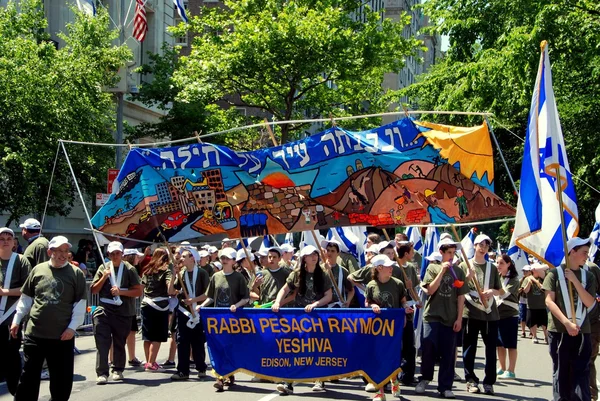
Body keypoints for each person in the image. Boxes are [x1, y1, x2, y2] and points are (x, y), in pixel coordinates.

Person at [11, 235, 87, 401]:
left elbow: (80, 305)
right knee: (28, 378)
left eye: (66, 251)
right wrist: (17, 320)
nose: (62, 254)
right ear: (49, 251)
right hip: (35, 334)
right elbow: (26, 299)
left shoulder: (76, 274)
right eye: (58, 250)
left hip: (62, 337)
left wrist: (72, 328)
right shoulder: (38, 270)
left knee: (61, 381)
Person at [272, 245, 333, 395]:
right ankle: (288, 383)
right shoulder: (296, 274)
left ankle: (319, 380)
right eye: (310, 255)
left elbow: (329, 296)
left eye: (316, 254)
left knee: (317, 348)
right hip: (298, 317)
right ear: (304, 258)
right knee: (294, 348)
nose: (314, 257)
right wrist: (278, 302)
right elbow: (284, 289)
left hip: (317, 317)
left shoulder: (323, 274)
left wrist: (315, 304)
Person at [543, 237, 596, 401]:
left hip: (582, 330)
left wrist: (575, 281)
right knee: (561, 372)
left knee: (582, 373)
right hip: (559, 330)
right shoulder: (553, 274)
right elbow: (549, 301)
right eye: (583, 252)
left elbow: (590, 303)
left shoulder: (588, 276)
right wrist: (566, 322)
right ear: (572, 252)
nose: (586, 256)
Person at [415, 237, 468, 399]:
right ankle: (425, 378)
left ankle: (445, 386)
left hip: (450, 317)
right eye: (449, 253)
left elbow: (461, 297)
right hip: (432, 316)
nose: (452, 256)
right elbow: (429, 290)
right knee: (429, 346)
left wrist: (459, 318)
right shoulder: (432, 267)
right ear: (441, 253)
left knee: (448, 353)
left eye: (453, 252)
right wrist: (442, 271)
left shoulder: (458, 271)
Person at [91, 241, 143, 384]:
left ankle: (118, 369)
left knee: (119, 342)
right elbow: (93, 290)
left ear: (122, 254)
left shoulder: (129, 269)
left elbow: (138, 291)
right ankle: (102, 373)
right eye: (111, 254)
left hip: (123, 311)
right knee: (102, 342)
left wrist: (122, 292)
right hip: (104, 310)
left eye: (117, 253)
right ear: (108, 254)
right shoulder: (103, 267)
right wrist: (104, 277)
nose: (114, 256)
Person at [459, 234, 504, 395]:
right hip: (470, 312)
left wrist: (492, 291)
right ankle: (470, 380)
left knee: (491, 350)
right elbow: (458, 287)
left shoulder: (492, 267)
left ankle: (489, 382)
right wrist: (466, 278)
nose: (484, 247)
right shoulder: (465, 264)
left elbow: (500, 290)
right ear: (475, 245)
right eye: (481, 244)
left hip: (490, 313)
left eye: (487, 245)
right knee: (469, 349)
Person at [201, 247, 250, 391]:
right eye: (222, 258)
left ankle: (230, 374)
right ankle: (220, 378)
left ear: (234, 261)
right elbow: (210, 296)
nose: (224, 260)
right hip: (217, 319)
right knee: (218, 348)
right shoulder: (216, 277)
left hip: (232, 319)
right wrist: (201, 306)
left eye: (227, 258)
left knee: (229, 348)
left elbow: (246, 298)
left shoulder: (239, 277)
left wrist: (236, 305)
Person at [366, 254, 409, 401]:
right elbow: (367, 303)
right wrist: (373, 305)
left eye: (391, 266)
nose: (391, 268)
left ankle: (394, 379)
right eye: (388, 266)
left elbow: (403, 302)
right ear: (379, 268)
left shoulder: (397, 283)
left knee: (393, 355)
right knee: (379, 357)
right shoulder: (371, 285)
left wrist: (406, 310)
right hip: (378, 327)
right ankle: (381, 391)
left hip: (394, 327)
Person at [0, 228, 32, 395]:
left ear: (14, 242)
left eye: (9, 238)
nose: (5, 241)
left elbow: (28, 289)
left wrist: (5, 292)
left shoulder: (21, 261)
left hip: (12, 317)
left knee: (12, 357)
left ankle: (17, 394)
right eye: (1, 238)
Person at [171, 248, 209, 381]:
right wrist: (174, 275)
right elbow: (171, 291)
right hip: (184, 311)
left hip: (198, 310)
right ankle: (183, 370)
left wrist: (193, 300)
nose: (182, 258)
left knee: (198, 340)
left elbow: (207, 294)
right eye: (181, 256)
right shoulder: (181, 273)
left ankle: (201, 367)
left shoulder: (202, 273)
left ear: (192, 258)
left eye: (185, 256)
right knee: (182, 341)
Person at [140, 248, 176, 372]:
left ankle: (149, 361)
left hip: (146, 303)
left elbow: (142, 286)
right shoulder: (166, 270)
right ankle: (151, 363)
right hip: (160, 305)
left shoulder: (147, 270)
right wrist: (174, 274)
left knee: (147, 335)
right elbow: (169, 290)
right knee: (158, 335)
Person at [494, 254, 520, 380]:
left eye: (501, 263)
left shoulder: (514, 279)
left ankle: (511, 370)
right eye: (497, 263)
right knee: (499, 343)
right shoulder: (497, 277)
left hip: (510, 314)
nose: (498, 266)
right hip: (497, 314)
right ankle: (502, 367)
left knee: (510, 344)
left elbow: (504, 295)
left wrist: (493, 289)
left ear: (508, 264)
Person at [122, 248, 145, 367]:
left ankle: (131, 357)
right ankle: (130, 357)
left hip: (130, 305)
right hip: (125, 306)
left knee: (131, 331)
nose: (138, 258)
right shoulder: (130, 270)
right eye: (136, 256)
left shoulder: (132, 269)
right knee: (127, 332)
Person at [321, 239, 354, 308]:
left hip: (339, 307)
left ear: (338, 253)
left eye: (332, 251)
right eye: (328, 250)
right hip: (323, 308)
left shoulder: (343, 271)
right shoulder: (319, 269)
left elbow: (351, 290)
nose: (329, 253)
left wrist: (348, 301)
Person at [584, 259, 600, 401]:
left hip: (591, 322)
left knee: (588, 360)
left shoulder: (591, 267)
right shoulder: (561, 268)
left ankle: (591, 394)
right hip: (569, 323)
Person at [522, 263, 548, 343]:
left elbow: (545, 288)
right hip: (532, 305)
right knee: (533, 322)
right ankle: (534, 336)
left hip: (542, 305)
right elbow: (525, 291)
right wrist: (529, 283)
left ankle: (546, 337)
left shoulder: (543, 278)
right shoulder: (527, 279)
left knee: (544, 323)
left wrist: (537, 282)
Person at [518, 265, 532, 338]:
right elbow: (518, 289)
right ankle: (523, 332)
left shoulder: (533, 279)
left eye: (526, 271)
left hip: (531, 300)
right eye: (524, 271)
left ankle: (531, 332)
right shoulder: (521, 280)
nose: (524, 272)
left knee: (530, 317)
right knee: (522, 316)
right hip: (522, 300)